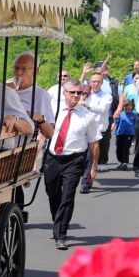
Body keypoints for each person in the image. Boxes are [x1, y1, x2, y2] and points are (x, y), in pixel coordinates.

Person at [44, 79, 100, 250]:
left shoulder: (87, 115)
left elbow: (94, 143)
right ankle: (58, 222)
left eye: (79, 93)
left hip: (74, 160)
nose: (76, 95)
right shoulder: (54, 110)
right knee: (52, 193)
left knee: (67, 196)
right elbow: (44, 134)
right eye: (73, 92)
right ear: (65, 94)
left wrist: (93, 167)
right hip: (53, 158)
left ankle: (60, 234)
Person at [79, 72, 111, 193]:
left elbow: (102, 109)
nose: (96, 84)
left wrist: (87, 105)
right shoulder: (85, 94)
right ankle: (86, 176)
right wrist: (82, 99)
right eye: (93, 81)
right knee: (82, 157)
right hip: (84, 130)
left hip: (98, 131)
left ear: (102, 83)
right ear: (90, 83)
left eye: (98, 81)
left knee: (90, 158)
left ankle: (85, 183)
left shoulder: (107, 96)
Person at [9, 52, 55, 127]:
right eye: (16, 68)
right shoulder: (6, 91)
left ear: (36, 71)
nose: (19, 72)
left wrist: (40, 120)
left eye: (24, 69)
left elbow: (49, 131)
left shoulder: (40, 95)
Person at [114, 98, 137, 170]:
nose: (128, 110)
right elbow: (116, 122)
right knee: (118, 149)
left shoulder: (134, 115)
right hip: (120, 133)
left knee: (125, 148)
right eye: (126, 108)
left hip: (129, 134)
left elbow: (136, 125)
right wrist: (116, 118)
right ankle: (120, 161)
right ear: (124, 107)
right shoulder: (121, 114)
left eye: (129, 109)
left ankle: (125, 163)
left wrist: (136, 134)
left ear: (132, 108)